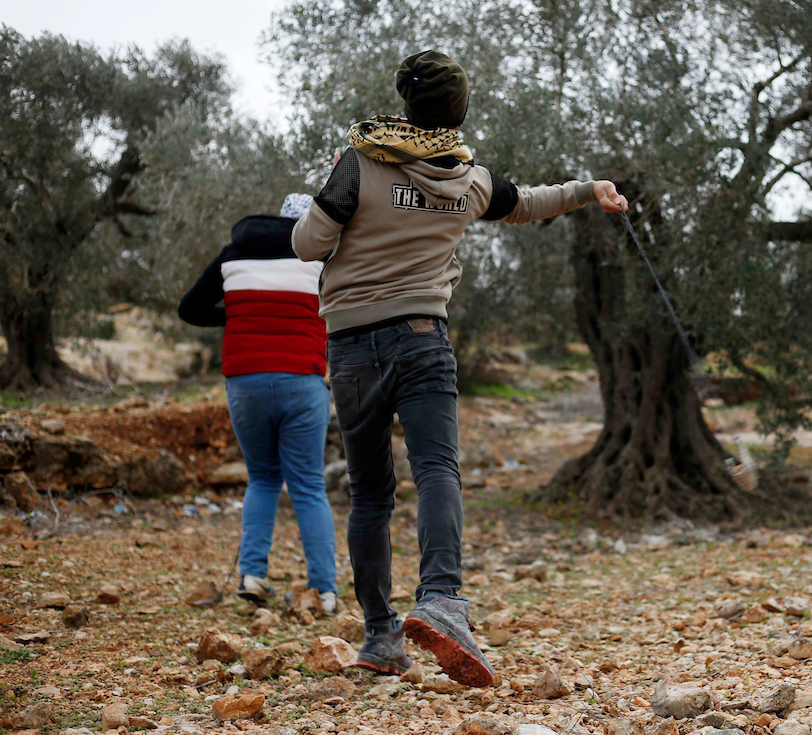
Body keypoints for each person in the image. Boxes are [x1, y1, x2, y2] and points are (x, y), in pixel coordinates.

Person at [291, 50, 629, 685]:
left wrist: (325, 203)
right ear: (459, 112)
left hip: (352, 345)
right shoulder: (469, 180)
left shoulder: (359, 162)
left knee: (370, 492)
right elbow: (526, 203)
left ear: (405, 101)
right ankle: (442, 599)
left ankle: (380, 636)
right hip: (423, 338)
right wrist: (590, 190)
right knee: (437, 470)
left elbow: (308, 244)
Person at [179, 194, 338, 613]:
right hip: (302, 380)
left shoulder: (234, 253)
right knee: (308, 486)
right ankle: (324, 591)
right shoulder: (322, 259)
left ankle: (252, 575)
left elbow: (190, 308)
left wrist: (237, 315)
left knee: (263, 479)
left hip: (245, 381)